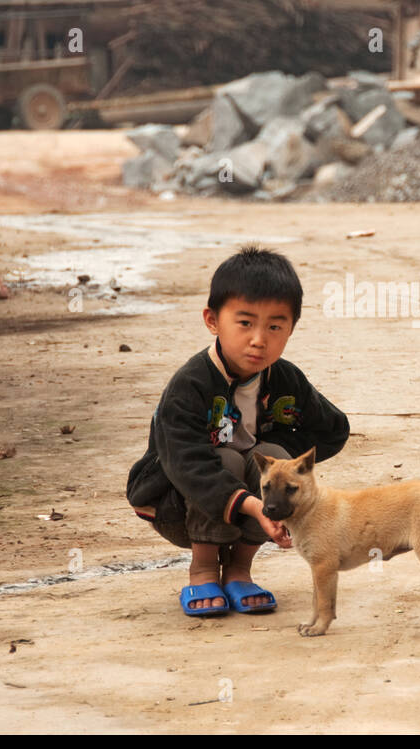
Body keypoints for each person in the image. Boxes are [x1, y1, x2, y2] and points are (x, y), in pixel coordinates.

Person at [126, 244, 349, 616]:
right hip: (174, 502)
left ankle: (238, 569)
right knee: (226, 457)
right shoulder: (190, 384)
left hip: (246, 500)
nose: (259, 339)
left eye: (275, 326)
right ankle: (202, 570)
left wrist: (274, 450)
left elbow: (333, 429)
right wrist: (253, 504)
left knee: (277, 462)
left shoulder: (286, 378)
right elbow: (188, 465)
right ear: (212, 320)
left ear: (292, 328)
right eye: (245, 323)